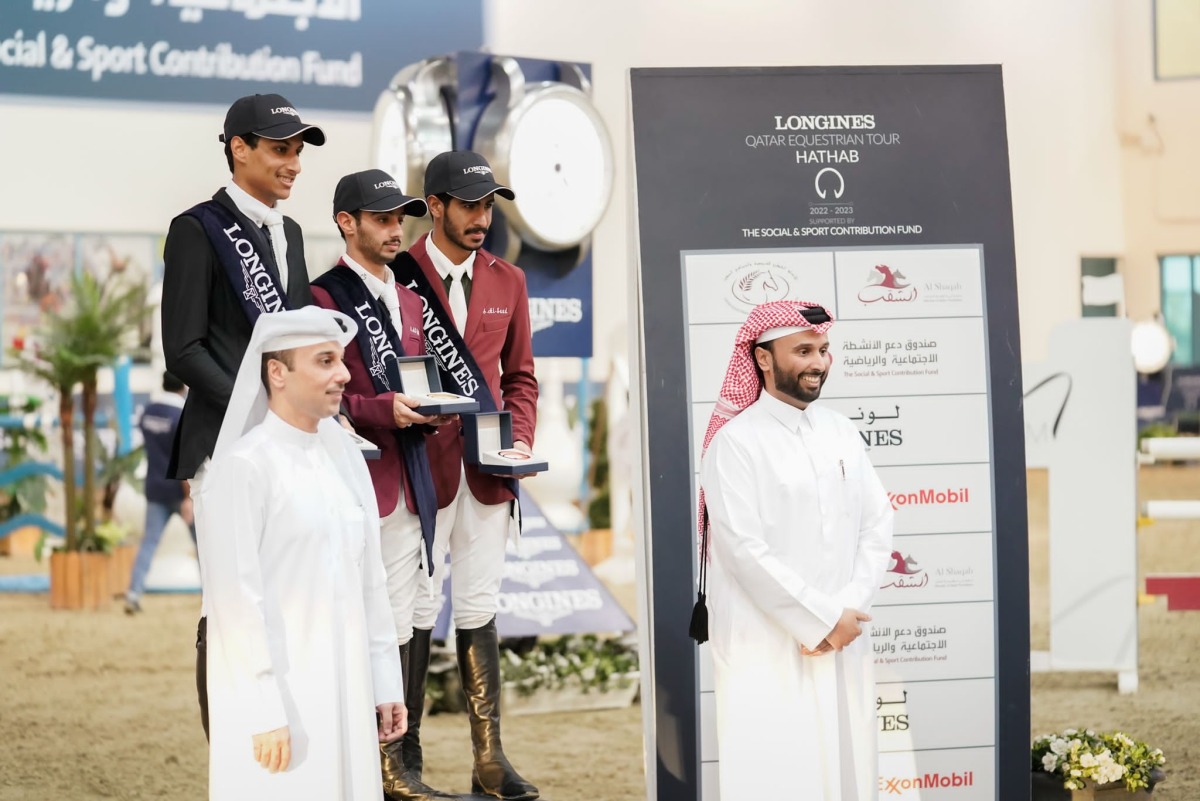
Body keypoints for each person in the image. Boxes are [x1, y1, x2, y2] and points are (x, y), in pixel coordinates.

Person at [161, 92, 325, 738]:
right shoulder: (197, 229)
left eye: (297, 152)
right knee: (228, 600)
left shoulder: (287, 234)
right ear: (239, 148)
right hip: (226, 445)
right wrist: (256, 406)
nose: (294, 165)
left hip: (284, 446)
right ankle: (231, 745)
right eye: (281, 150)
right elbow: (183, 349)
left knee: (284, 598)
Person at [200, 305, 405, 800]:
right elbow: (235, 605)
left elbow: (370, 581)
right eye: (325, 361)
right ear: (277, 372)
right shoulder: (243, 468)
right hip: (281, 705)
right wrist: (263, 707)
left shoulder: (345, 461)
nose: (344, 374)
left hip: (348, 689)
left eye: (340, 360)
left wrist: (384, 683)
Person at [698, 300, 894, 801]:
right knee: (776, 773)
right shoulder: (736, 443)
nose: (818, 362)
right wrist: (821, 619)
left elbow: (877, 522)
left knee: (847, 772)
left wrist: (845, 611)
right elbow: (743, 548)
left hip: (843, 638)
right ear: (762, 358)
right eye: (803, 350)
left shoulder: (840, 431)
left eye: (823, 350)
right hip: (766, 641)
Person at [389, 151, 539, 801]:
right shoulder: (396, 274)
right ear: (437, 205)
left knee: (479, 607)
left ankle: (488, 758)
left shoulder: (510, 281)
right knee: (415, 609)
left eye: (489, 205)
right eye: (470, 205)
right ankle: (404, 754)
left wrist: (523, 434)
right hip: (420, 467)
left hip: (487, 471)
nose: (483, 217)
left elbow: (521, 376)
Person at [310, 169, 457, 801]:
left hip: (417, 474)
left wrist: (436, 404)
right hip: (364, 476)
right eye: (381, 218)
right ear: (347, 221)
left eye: (400, 218)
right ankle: (383, 767)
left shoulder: (410, 297)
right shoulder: (321, 298)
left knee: (414, 615)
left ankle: (400, 762)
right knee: (376, 621)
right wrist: (383, 409)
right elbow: (325, 395)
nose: (396, 229)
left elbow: (414, 376)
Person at [124, 371, 195, 614]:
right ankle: (217, 596)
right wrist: (188, 498)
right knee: (204, 546)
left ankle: (133, 592)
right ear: (183, 386)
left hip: (154, 486)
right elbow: (183, 459)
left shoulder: (148, 412)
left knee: (149, 543)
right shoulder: (181, 415)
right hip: (180, 489)